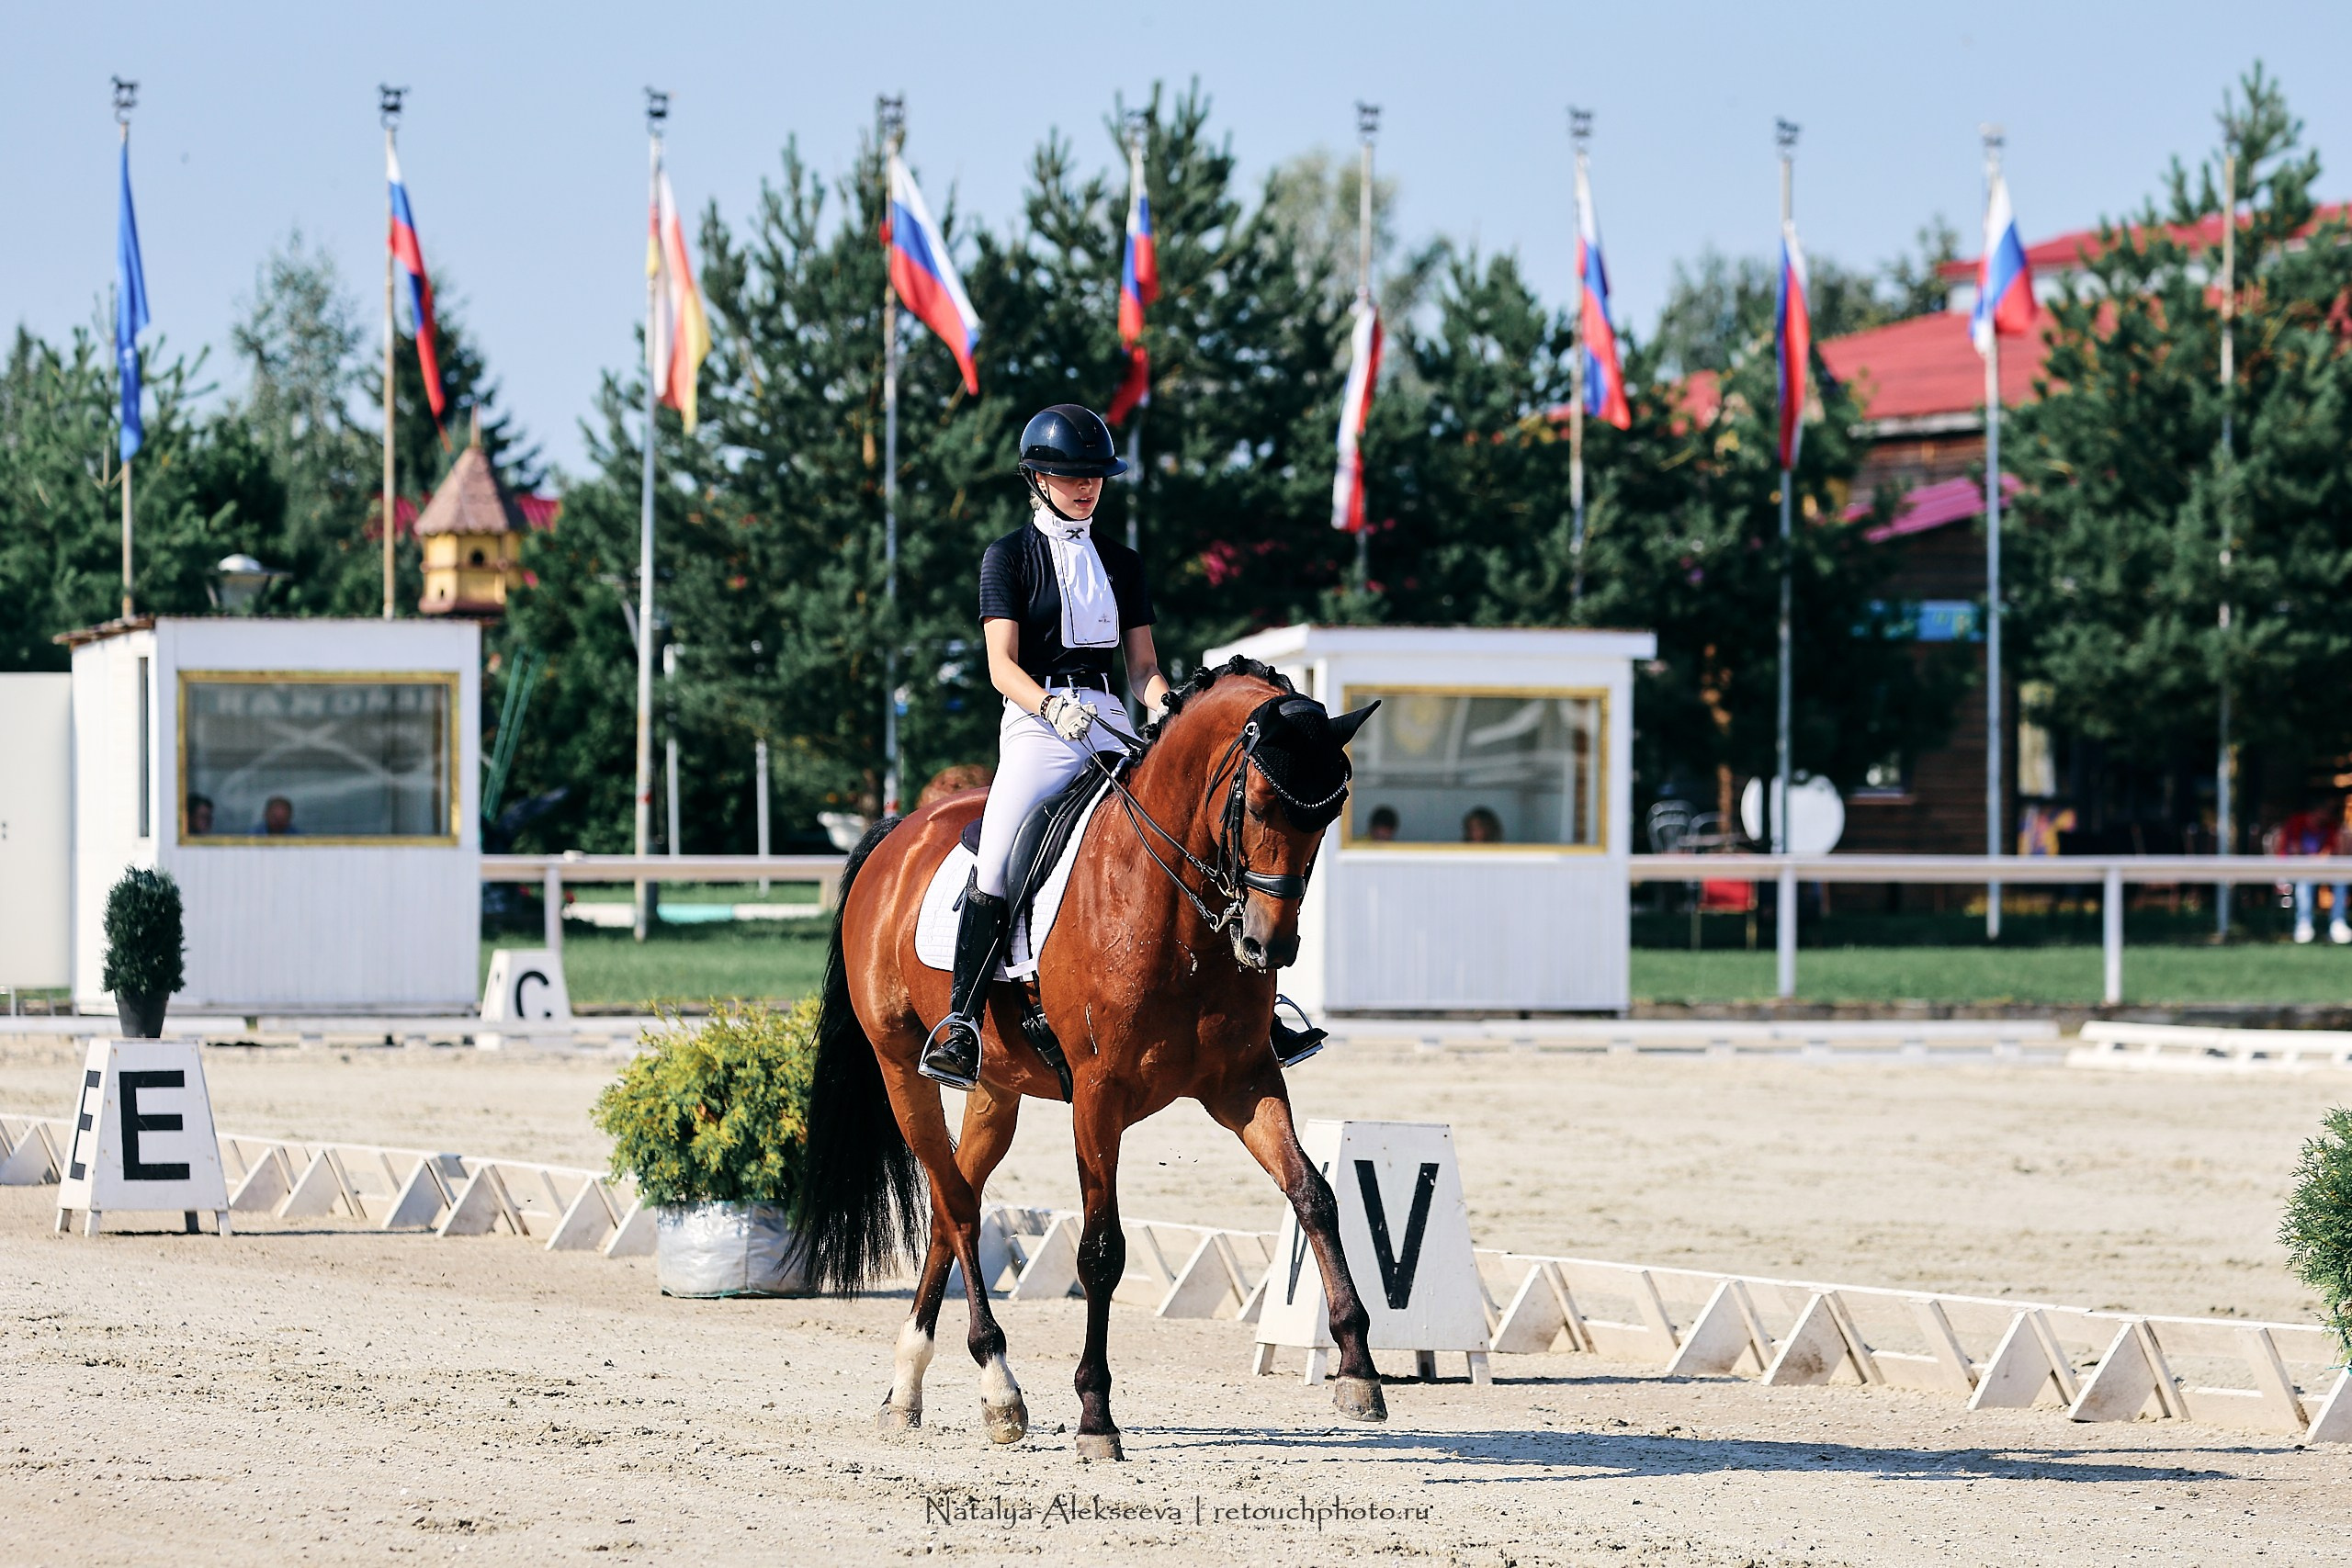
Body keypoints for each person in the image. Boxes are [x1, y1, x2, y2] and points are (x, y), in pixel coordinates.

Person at [922, 404, 1325, 1087]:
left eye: (1095, 476)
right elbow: (1000, 665)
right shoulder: (1009, 557)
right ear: (1038, 477)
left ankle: (1260, 1008)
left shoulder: (1122, 562)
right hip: (1037, 720)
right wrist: (1049, 705)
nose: (1086, 486)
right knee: (998, 854)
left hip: (1111, 720)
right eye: (1071, 474)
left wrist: (1169, 706)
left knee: (1200, 838)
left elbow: (1141, 669)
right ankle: (961, 1023)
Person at [2278, 795, 2350, 945]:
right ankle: (2304, 923)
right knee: (2305, 880)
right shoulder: (2298, 821)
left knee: (2341, 879)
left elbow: (2330, 851)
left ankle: (2338, 922)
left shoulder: (2330, 825)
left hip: (2321, 868)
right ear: (2317, 810)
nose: (2328, 815)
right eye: (2326, 811)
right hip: (2292, 867)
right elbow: (2294, 850)